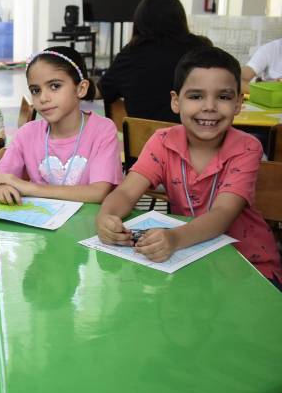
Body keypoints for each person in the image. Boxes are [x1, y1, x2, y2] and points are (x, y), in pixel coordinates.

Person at [96, 46, 281, 286]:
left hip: (247, 265)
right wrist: (106, 216)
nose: (209, 106)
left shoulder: (247, 147)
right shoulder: (162, 142)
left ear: (238, 104)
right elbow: (125, 191)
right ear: (176, 101)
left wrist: (174, 239)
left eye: (223, 97)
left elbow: (223, 214)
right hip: (191, 259)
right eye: (196, 96)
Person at [0, 47, 121, 204]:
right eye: (35, 90)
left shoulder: (103, 130)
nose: (43, 98)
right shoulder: (27, 134)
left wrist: (27, 187)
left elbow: (98, 193)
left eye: (55, 86)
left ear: (81, 89)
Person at [99, 0, 212, 123]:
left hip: (142, 141)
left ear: (140, 21)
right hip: (193, 138)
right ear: (179, 18)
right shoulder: (200, 48)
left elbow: (103, 91)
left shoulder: (130, 54)